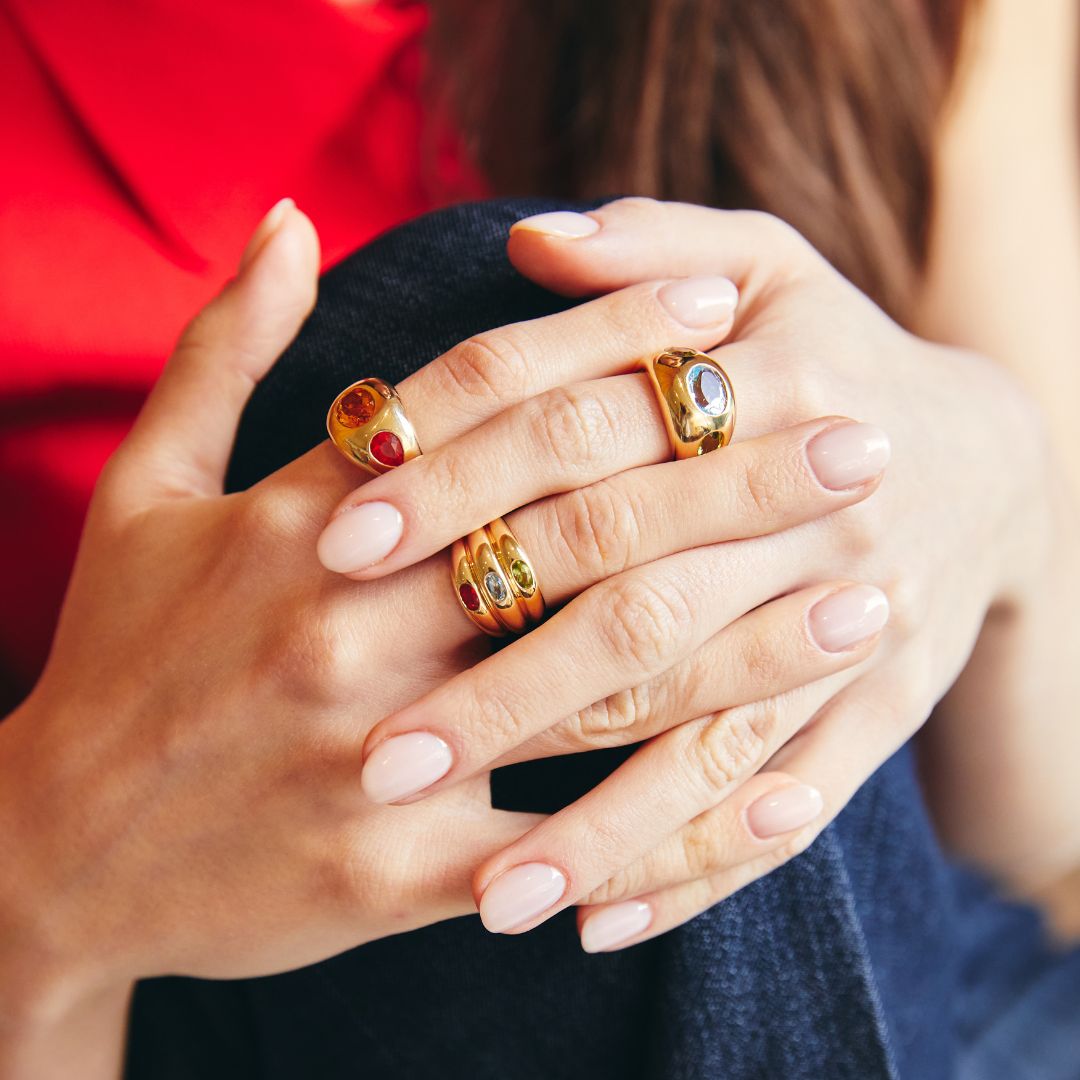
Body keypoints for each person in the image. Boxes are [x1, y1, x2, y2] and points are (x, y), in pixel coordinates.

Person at [1, 1, 1078, 1078]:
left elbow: (1039, 842)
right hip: (140, 992)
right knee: (447, 319)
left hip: (926, 964)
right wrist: (41, 885)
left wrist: (999, 469)